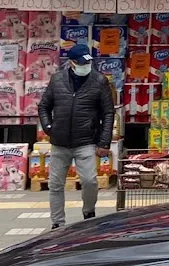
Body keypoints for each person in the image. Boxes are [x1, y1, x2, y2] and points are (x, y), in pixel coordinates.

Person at [38, 44, 114, 230]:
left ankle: (89, 211)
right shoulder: (57, 80)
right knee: (55, 184)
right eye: (81, 63)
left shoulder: (99, 81)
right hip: (60, 142)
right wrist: (49, 128)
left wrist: (104, 141)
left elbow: (108, 112)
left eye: (87, 62)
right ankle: (57, 223)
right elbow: (43, 106)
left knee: (90, 181)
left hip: (86, 141)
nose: (85, 66)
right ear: (71, 63)